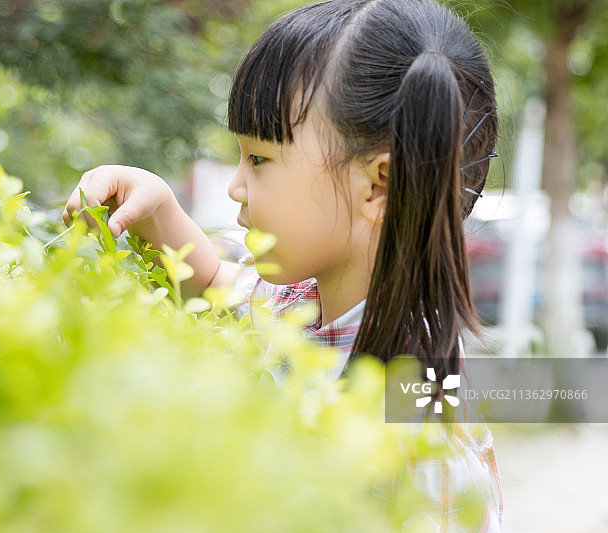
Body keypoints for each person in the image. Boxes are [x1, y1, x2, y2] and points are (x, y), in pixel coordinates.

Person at [62, 0, 503, 530]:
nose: (236, 186)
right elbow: (216, 287)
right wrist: (157, 210)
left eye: (259, 159)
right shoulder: (308, 299)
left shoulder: (419, 428)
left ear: (377, 184)